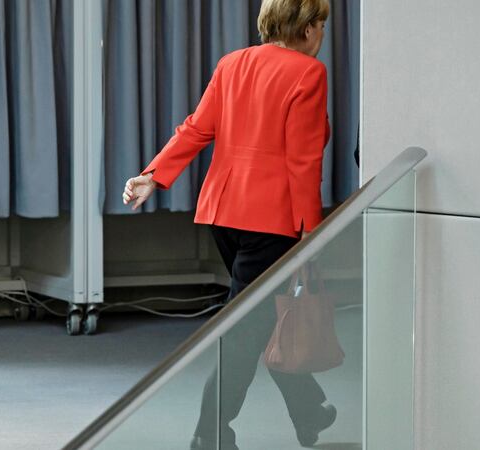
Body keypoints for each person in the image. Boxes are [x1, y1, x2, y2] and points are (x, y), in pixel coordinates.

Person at [123, 0, 336, 447]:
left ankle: (308, 410)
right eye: (320, 24)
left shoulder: (232, 63)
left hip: (223, 212)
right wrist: (312, 233)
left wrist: (152, 175)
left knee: (259, 317)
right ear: (306, 28)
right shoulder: (309, 73)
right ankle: (210, 433)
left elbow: (197, 128)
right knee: (245, 330)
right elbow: (303, 162)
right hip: (273, 221)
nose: (321, 33)